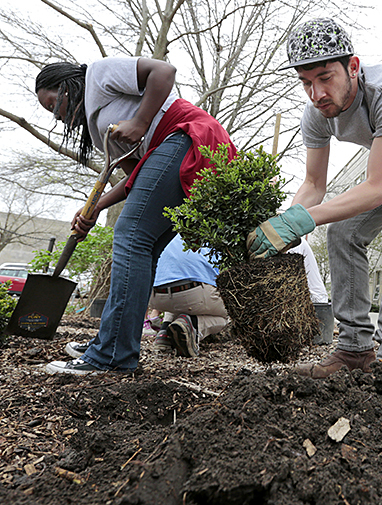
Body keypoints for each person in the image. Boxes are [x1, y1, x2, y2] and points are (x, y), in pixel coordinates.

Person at [245, 18, 382, 397]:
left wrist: (303, 220)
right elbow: (314, 186)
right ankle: (353, 349)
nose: (316, 92)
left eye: (325, 77)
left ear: (353, 67)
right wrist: (282, 223)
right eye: (305, 82)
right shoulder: (315, 115)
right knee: (343, 231)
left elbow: (377, 189)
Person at [36, 57, 236, 375]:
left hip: (189, 137)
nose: (57, 116)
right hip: (173, 151)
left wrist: (141, 121)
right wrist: (97, 206)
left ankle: (111, 354)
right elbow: (137, 181)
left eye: (52, 104)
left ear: (65, 85)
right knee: (146, 245)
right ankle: (115, 343)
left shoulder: (98, 75)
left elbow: (164, 71)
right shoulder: (99, 126)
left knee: (131, 237)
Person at [148, 234, 229, 357]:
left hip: (154, 296)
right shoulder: (211, 237)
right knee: (231, 313)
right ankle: (194, 326)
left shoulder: (166, 233)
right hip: (191, 293)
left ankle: (164, 333)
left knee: (179, 300)